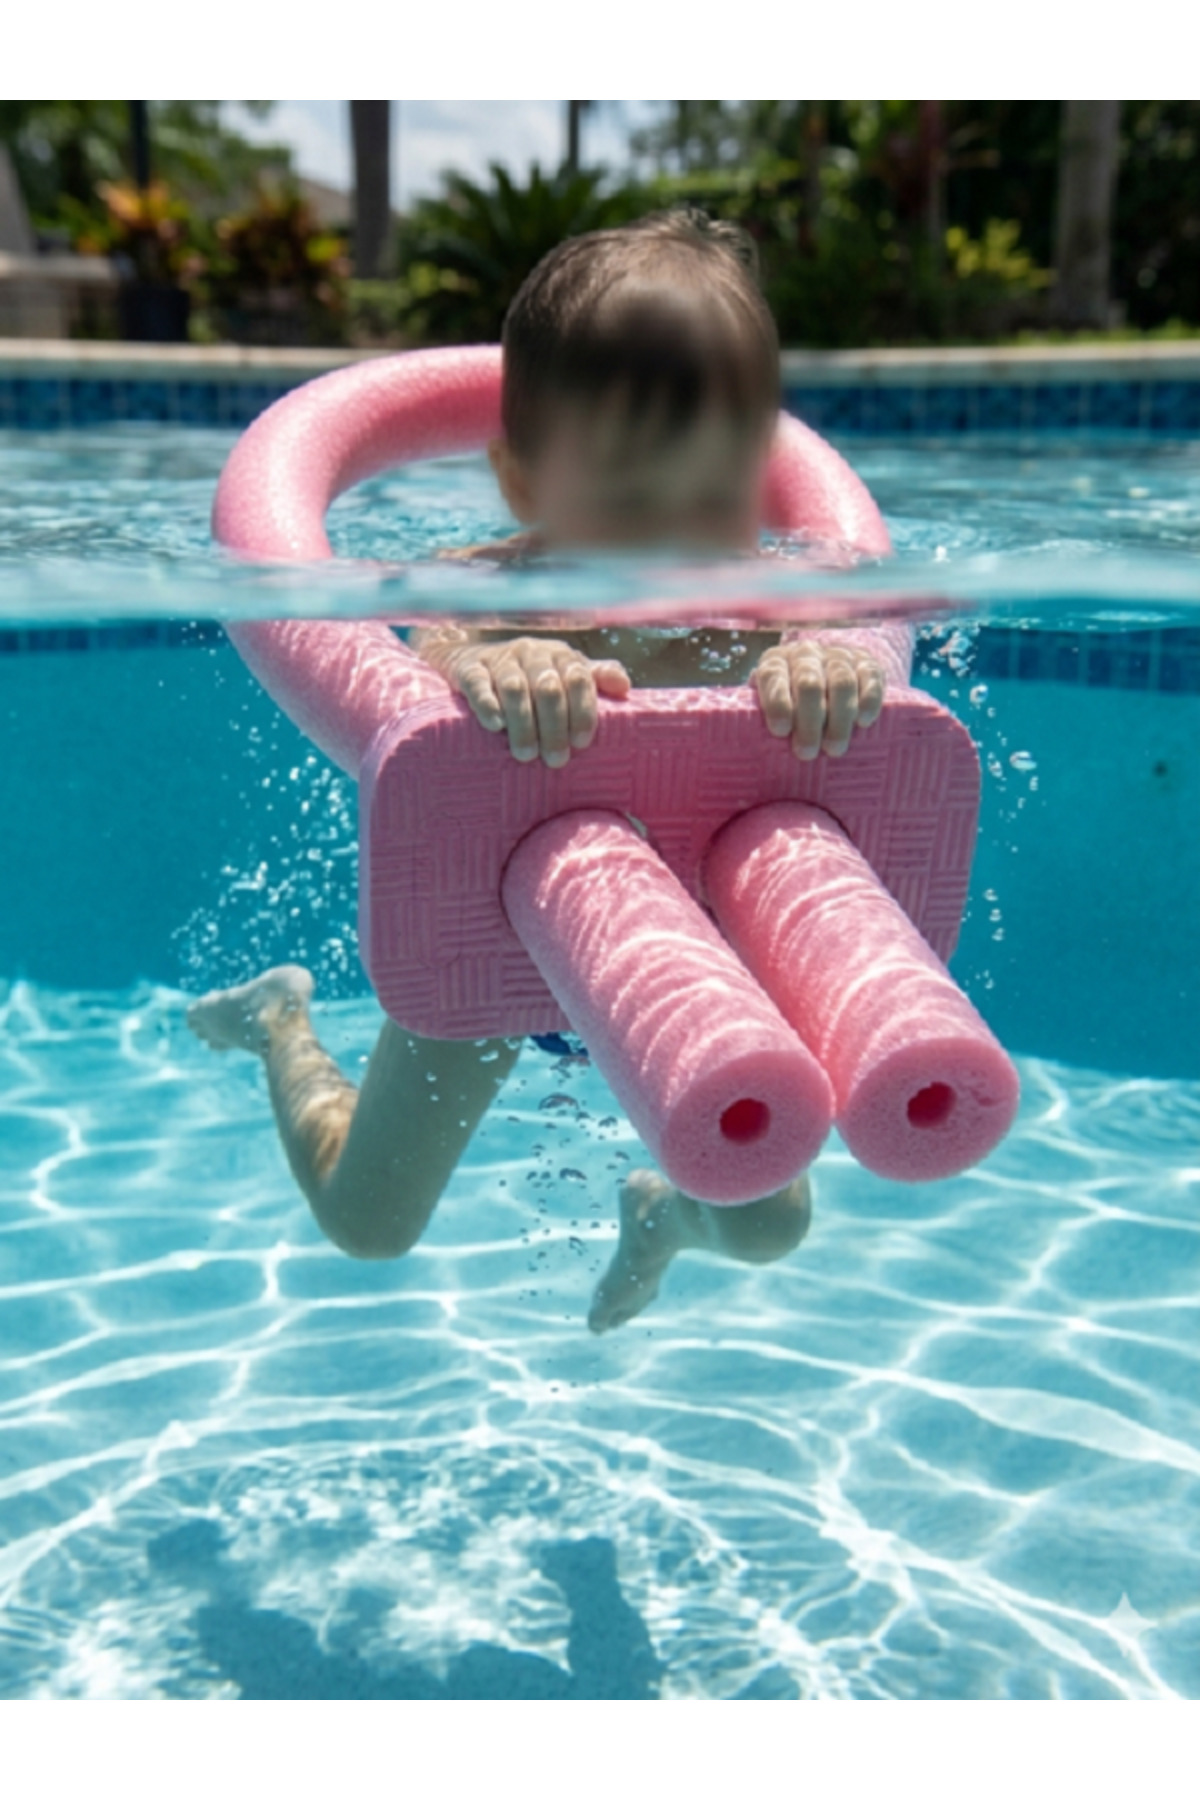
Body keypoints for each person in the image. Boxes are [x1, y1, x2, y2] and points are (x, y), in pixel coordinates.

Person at [187, 210, 888, 1333]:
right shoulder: (489, 586)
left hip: (689, 946)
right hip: (500, 933)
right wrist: (488, 664)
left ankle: (663, 1214)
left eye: (716, 485)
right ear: (520, 480)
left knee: (767, 1224)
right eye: (632, 487)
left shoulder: (779, 596)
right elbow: (414, 666)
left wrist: (829, 667)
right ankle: (279, 1021)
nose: (677, 532)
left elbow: (854, 653)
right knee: (368, 1221)